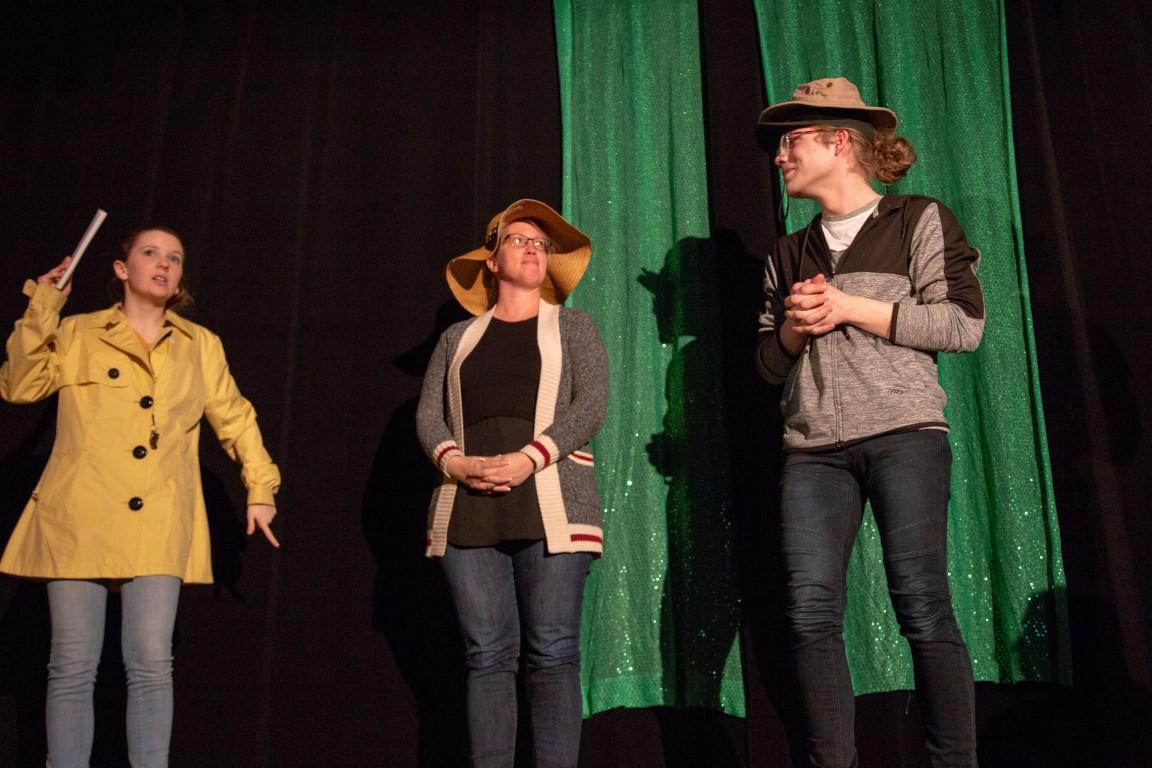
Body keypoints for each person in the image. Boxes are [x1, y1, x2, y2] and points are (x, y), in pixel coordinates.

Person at [754, 78, 985, 767]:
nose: (780, 157)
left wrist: (850, 306)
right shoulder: (786, 254)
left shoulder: (918, 218)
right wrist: (795, 329)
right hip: (813, 453)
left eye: (792, 141)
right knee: (809, 612)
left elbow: (963, 325)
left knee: (921, 603)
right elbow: (767, 366)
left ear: (838, 141)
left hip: (904, 436)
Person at [0, 227, 281, 768]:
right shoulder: (77, 331)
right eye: (150, 253)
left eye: (175, 257)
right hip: (79, 514)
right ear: (121, 268)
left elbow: (235, 418)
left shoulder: (199, 344)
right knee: (72, 664)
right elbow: (19, 386)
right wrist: (42, 306)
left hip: (159, 513)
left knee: (151, 663)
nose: (164, 264)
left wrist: (260, 487)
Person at [416, 199, 608, 768]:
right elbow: (428, 415)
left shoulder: (572, 326)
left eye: (541, 244)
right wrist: (455, 463)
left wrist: (530, 458)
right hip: (467, 506)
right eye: (519, 240)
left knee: (553, 652)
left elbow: (591, 404)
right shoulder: (457, 338)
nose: (532, 249)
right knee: (486, 656)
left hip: (550, 502)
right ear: (492, 261)